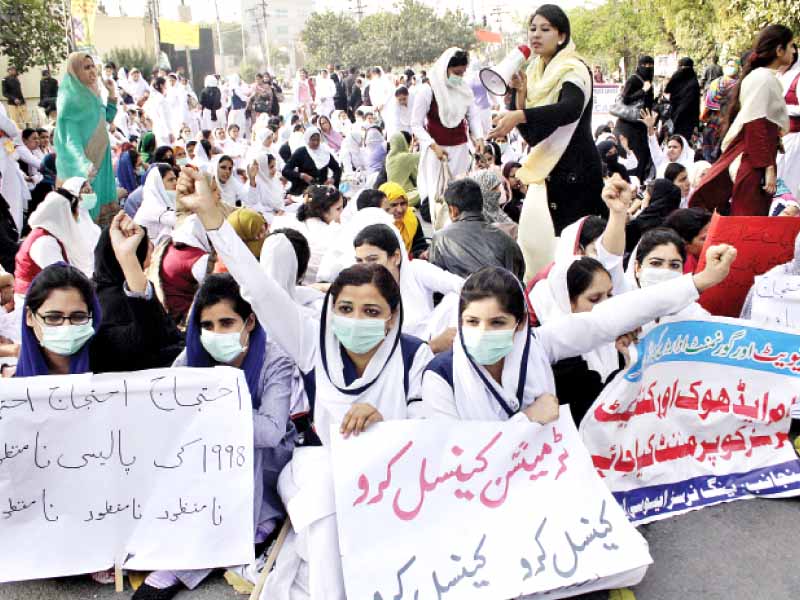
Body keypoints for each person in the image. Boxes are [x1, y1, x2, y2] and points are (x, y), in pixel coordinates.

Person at [177, 167, 433, 599]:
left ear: (392, 316)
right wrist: (211, 215)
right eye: (345, 308)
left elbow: (430, 425)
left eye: (371, 312)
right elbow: (257, 287)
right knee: (325, 515)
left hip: (394, 476)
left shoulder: (413, 355)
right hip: (323, 469)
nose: (355, 320)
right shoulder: (313, 343)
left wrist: (387, 420)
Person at [420, 244, 735, 422]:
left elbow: (605, 321)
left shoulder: (538, 346)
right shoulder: (441, 375)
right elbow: (455, 455)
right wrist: (528, 421)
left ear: (518, 323)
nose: (483, 332)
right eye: (472, 322)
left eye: (497, 323)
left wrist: (700, 281)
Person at [132, 273, 294, 600]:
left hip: (264, 464)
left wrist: (217, 408)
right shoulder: (193, 358)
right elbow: (169, 410)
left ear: (249, 321)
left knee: (245, 446)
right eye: (207, 325)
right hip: (207, 463)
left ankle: (192, 560)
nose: (215, 334)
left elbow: (270, 431)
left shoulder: (275, 361)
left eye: (226, 322)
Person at [489, 5, 604, 279]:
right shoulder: (537, 72)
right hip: (546, 177)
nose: (535, 35)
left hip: (576, 175)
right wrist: (520, 95)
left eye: (545, 29)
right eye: (532, 29)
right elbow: (532, 136)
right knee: (534, 249)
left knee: (575, 259)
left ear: (561, 36)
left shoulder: (573, 69)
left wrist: (520, 114)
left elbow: (570, 109)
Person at [13, 212, 163, 377]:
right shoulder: (15, 387)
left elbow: (150, 334)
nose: (66, 327)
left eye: (78, 317)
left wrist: (128, 258)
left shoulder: (109, 353)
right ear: (29, 317)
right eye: (53, 318)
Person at [690, 25, 793, 216]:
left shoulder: (763, 77)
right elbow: (756, 125)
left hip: (756, 160)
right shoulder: (763, 78)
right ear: (779, 50)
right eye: (791, 46)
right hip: (754, 162)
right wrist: (768, 167)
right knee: (748, 220)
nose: (794, 51)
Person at [91, 219, 183, 372]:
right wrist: (128, 258)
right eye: (146, 243)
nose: (153, 247)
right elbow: (151, 341)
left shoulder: (99, 289)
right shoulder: (119, 302)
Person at [353, 223, 461, 350]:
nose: (365, 267)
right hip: (399, 358)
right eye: (359, 261)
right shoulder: (360, 290)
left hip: (431, 341)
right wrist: (432, 346)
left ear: (396, 257)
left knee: (457, 298)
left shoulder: (415, 270)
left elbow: (461, 285)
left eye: (372, 259)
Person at [411, 48, 485, 226]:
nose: (459, 77)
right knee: (439, 198)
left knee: (459, 194)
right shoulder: (428, 90)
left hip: (460, 149)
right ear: (445, 68)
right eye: (456, 72)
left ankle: (459, 230)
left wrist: (479, 137)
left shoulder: (463, 89)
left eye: (462, 73)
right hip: (437, 152)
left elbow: (472, 114)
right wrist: (432, 145)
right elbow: (415, 124)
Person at [54, 52, 119, 223]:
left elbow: (106, 119)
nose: (92, 71)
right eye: (86, 67)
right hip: (87, 165)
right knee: (88, 213)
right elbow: (70, 139)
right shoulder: (70, 99)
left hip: (102, 159)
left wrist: (111, 94)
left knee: (106, 217)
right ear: (75, 71)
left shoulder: (93, 95)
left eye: (93, 67)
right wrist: (84, 164)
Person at [429, 178, 525, 280]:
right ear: (481, 203)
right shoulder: (506, 239)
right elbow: (517, 279)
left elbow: (435, 280)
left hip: (462, 294)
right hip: (503, 294)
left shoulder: (440, 238)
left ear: (453, 211)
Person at [13, 189, 94, 304]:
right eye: (75, 211)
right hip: (36, 303)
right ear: (64, 213)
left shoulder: (52, 236)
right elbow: (63, 279)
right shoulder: (44, 242)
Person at [272, 185, 343, 283]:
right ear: (324, 211)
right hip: (318, 285)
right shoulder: (335, 233)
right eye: (338, 209)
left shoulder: (284, 221)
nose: (342, 212)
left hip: (292, 282)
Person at [156, 215, 212, 324]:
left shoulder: (168, 248)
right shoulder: (198, 259)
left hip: (166, 313)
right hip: (185, 318)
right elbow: (213, 288)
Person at [615, 56, 656, 183]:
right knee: (633, 156)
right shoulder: (634, 80)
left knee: (643, 157)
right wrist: (643, 90)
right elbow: (626, 98)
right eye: (645, 65)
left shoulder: (648, 81)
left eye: (651, 65)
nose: (648, 68)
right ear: (639, 66)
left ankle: (638, 185)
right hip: (628, 126)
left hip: (641, 125)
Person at [281, 127, 342, 197]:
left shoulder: (324, 152)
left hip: (322, 190)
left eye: (318, 140)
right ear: (307, 139)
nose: (316, 143)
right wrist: (302, 175)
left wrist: (333, 179)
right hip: (304, 190)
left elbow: (337, 169)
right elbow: (285, 170)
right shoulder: (301, 152)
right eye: (313, 140)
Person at [626, 178, 682, 252]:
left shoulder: (639, 225)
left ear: (652, 199)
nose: (643, 199)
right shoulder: (679, 221)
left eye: (645, 195)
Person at [701, 58, 740, 162]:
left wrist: (703, 118)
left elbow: (708, 105)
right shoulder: (739, 85)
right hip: (725, 123)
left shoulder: (717, 83)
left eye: (733, 65)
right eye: (729, 65)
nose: (731, 68)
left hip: (721, 122)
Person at [378, 182, 426, 257]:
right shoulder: (377, 225)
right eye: (393, 205)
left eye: (403, 203)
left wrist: (420, 254)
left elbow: (419, 245)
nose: (400, 210)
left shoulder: (412, 220)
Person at [133, 164, 178, 242]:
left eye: (175, 179)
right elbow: (179, 221)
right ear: (158, 184)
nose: (175, 183)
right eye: (170, 180)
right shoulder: (151, 205)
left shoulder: (166, 202)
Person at [777, 48, 800, 198]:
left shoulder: (798, 78)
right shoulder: (777, 76)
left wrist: (783, 108)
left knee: (791, 181)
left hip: (794, 138)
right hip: (779, 138)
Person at [663, 207, 712, 274]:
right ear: (685, 245)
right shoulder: (682, 274)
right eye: (705, 239)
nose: (714, 241)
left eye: (714, 234)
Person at [664, 57, 701, 141]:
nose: (684, 70)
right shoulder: (693, 82)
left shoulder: (678, 77)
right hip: (683, 118)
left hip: (680, 118)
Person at [471, 169, 516, 233]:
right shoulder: (479, 220)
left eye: (498, 187)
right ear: (483, 191)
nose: (499, 191)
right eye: (494, 188)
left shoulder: (495, 210)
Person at [385, 131, 419, 206]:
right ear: (402, 142)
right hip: (405, 194)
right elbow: (422, 156)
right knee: (425, 192)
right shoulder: (403, 157)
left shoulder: (389, 157)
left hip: (392, 195)